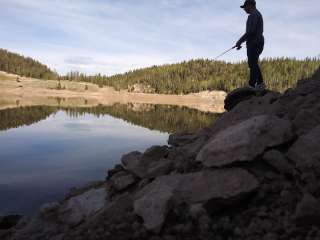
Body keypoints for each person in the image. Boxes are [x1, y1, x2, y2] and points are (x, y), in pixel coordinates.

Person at [236, 0, 265, 89]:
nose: (244, 9)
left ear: (250, 5)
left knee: (252, 63)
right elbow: (251, 32)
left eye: (245, 7)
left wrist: (239, 41)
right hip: (257, 42)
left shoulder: (254, 15)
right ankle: (260, 83)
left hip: (254, 42)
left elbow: (251, 31)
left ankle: (252, 85)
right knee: (253, 62)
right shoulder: (256, 14)